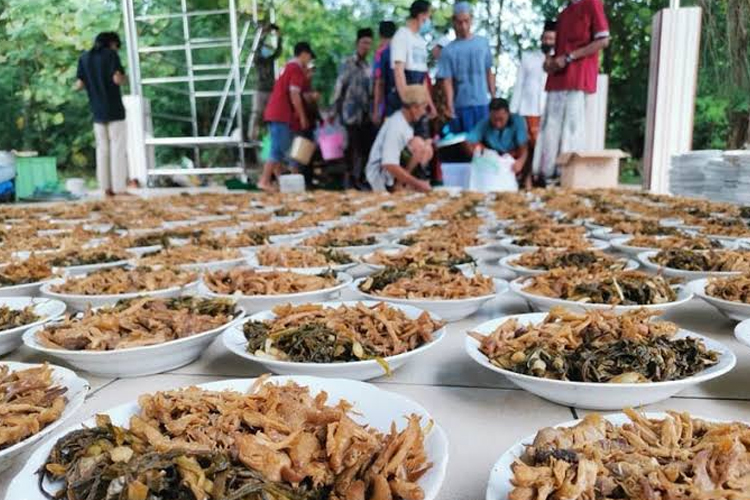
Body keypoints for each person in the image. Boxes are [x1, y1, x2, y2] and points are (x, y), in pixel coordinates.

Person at [534, 0, 609, 181]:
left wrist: (569, 57)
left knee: (572, 129)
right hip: (557, 78)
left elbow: (603, 40)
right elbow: (557, 50)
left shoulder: (592, 4)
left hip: (578, 76)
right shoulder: (564, 13)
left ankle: (567, 176)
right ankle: (545, 175)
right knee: (550, 129)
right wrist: (550, 62)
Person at [75, 32, 127, 196]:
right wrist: (125, 78)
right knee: (117, 148)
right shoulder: (111, 55)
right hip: (114, 108)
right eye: (117, 46)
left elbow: (79, 84)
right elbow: (117, 79)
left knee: (102, 149)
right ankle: (119, 188)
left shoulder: (84, 58)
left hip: (97, 110)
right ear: (112, 44)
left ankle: (105, 188)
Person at [259, 42, 316, 191]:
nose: (309, 60)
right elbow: (294, 94)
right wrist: (302, 116)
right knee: (278, 149)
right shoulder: (295, 69)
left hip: (275, 113)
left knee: (280, 147)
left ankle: (281, 182)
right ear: (303, 54)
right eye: (309, 57)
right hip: (281, 114)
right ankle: (264, 180)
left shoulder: (287, 67)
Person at [437, 2, 495, 134]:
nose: (463, 26)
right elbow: (447, 81)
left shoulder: (482, 43)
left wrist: (493, 97)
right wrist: (449, 105)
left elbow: (488, 71)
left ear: (472, 20)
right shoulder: (448, 50)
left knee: (485, 141)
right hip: (461, 105)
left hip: (482, 103)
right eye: (459, 22)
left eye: (466, 21)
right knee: (465, 143)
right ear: (454, 22)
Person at [511, 20, 556, 189]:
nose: (548, 42)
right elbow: (519, 86)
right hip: (527, 111)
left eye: (551, 39)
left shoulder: (558, 61)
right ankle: (526, 179)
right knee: (526, 147)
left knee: (544, 149)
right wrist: (513, 112)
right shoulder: (529, 58)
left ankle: (542, 180)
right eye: (545, 38)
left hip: (548, 112)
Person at [366, 85, 433, 193]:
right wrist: (417, 183)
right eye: (423, 108)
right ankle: (398, 186)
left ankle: (401, 185)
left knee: (425, 148)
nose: (424, 112)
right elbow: (388, 164)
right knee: (418, 145)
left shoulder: (406, 123)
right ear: (414, 108)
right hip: (379, 178)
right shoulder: (396, 126)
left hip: (389, 172)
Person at [332, 28, 375, 189]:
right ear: (357, 43)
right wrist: (335, 111)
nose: (366, 46)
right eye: (364, 42)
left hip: (366, 114)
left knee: (364, 148)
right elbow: (339, 88)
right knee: (350, 148)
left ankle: (361, 179)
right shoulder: (348, 63)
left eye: (369, 43)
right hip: (349, 113)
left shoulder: (369, 66)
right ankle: (349, 180)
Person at [387, 0, 436, 117]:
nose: (429, 21)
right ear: (421, 16)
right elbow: (399, 72)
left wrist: (429, 104)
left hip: (419, 100)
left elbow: (422, 80)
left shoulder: (420, 41)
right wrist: (406, 102)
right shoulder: (402, 35)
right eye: (428, 17)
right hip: (405, 100)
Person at [465, 98, 529, 175]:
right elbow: (469, 141)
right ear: (490, 115)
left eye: (501, 119)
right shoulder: (484, 123)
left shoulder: (518, 121)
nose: (498, 123)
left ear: (508, 114)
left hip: (513, 155)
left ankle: (527, 180)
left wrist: (521, 161)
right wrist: (480, 159)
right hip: (492, 158)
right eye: (494, 119)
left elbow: (523, 146)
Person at [249, 22, 282, 142]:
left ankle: (270, 137)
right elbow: (257, 49)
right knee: (257, 114)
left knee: (271, 115)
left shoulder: (270, 60)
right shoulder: (258, 60)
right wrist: (263, 34)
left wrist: (279, 37)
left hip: (270, 90)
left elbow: (278, 52)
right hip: (260, 90)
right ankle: (252, 136)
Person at [372, 21, 397, 126]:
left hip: (387, 106)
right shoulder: (401, 50)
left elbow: (379, 82)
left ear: (380, 34)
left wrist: (376, 110)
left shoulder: (381, 53)